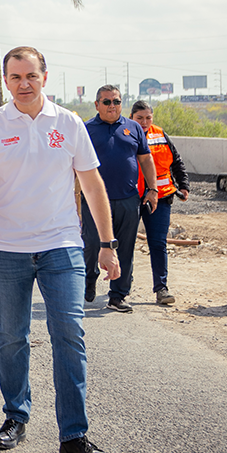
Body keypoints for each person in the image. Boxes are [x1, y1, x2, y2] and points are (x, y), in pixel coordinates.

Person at [0, 45, 119, 453]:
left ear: (45, 76)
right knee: (12, 337)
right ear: (6, 81)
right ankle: (15, 417)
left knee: (70, 335)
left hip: (62, 246)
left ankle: (74, 436)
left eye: (30, 76)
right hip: (6, 248)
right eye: (15, 78)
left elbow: (92, 185)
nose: (23, 84)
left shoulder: (69, 123)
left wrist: (107, 243)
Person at [82, 85, 157, 313]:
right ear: (97, 105)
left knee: (124, 248)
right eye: (106, 102)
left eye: (116, 101)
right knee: (93, 244)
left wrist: (152, 189)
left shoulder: (133, 128)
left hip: (128, 199)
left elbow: (145, 159)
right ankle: (90, 277)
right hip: (94, 201)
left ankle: (118, 295)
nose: (112, 106)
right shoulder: (85, 130)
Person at [130, 101, 189, 307]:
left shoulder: (160, 135)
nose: (145, 122)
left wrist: (184, 185)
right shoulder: (124, 133)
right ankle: (122, 284)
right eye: (140, 118)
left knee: (158, 244)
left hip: (161, 197)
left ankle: (161, 289)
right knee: (126, 242)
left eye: (148, 118)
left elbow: (176, 161)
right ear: (131, 117)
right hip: (131, 197)